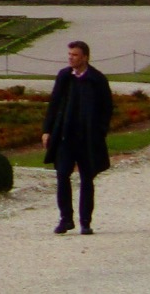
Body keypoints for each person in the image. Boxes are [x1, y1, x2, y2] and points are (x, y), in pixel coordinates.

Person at [44, 38, 114, 234]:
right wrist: (47, 130)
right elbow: (54, 104)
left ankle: (85, 221)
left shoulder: (97, 79)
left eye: (74, 55)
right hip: (66, 136)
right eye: (69, 55)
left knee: (87, 179)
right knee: (62, 175)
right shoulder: (64, 76)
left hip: (88, 138)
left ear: (85, 57)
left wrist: (100, 131)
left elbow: (107, 108)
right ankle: (66, 218)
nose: (70, 58)